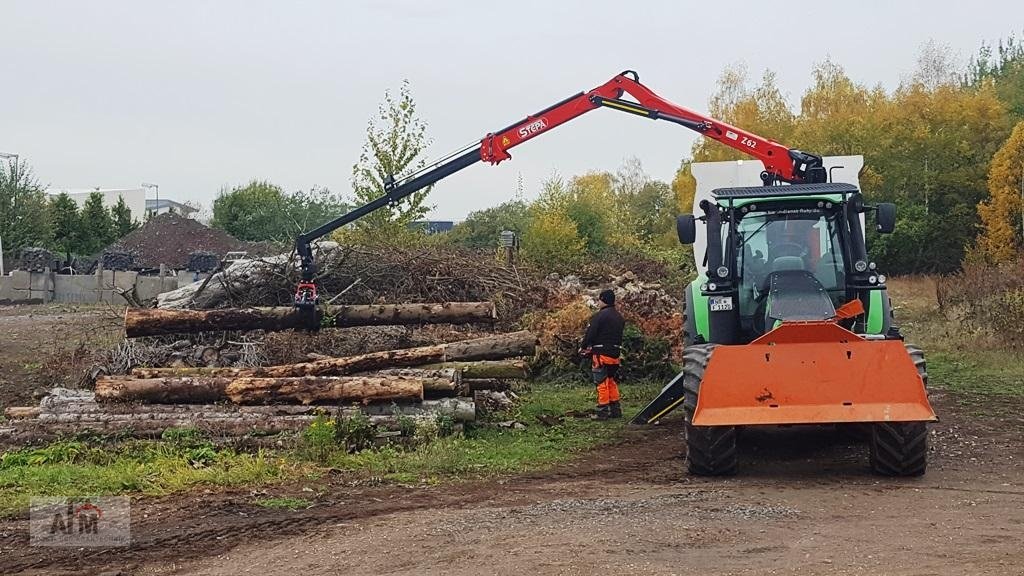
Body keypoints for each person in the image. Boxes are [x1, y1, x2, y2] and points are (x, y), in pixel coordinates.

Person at [580, 289, 625, 420]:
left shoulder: (599, 316)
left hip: (601, 354)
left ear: (603, 300)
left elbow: (591, 334)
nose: (598, 302)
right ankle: (616, 410)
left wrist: (583, 347)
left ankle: (602, 411)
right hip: (615, 354)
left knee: (601, 382)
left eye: (599, 300)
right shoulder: (619, 317)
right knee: (611, 381)